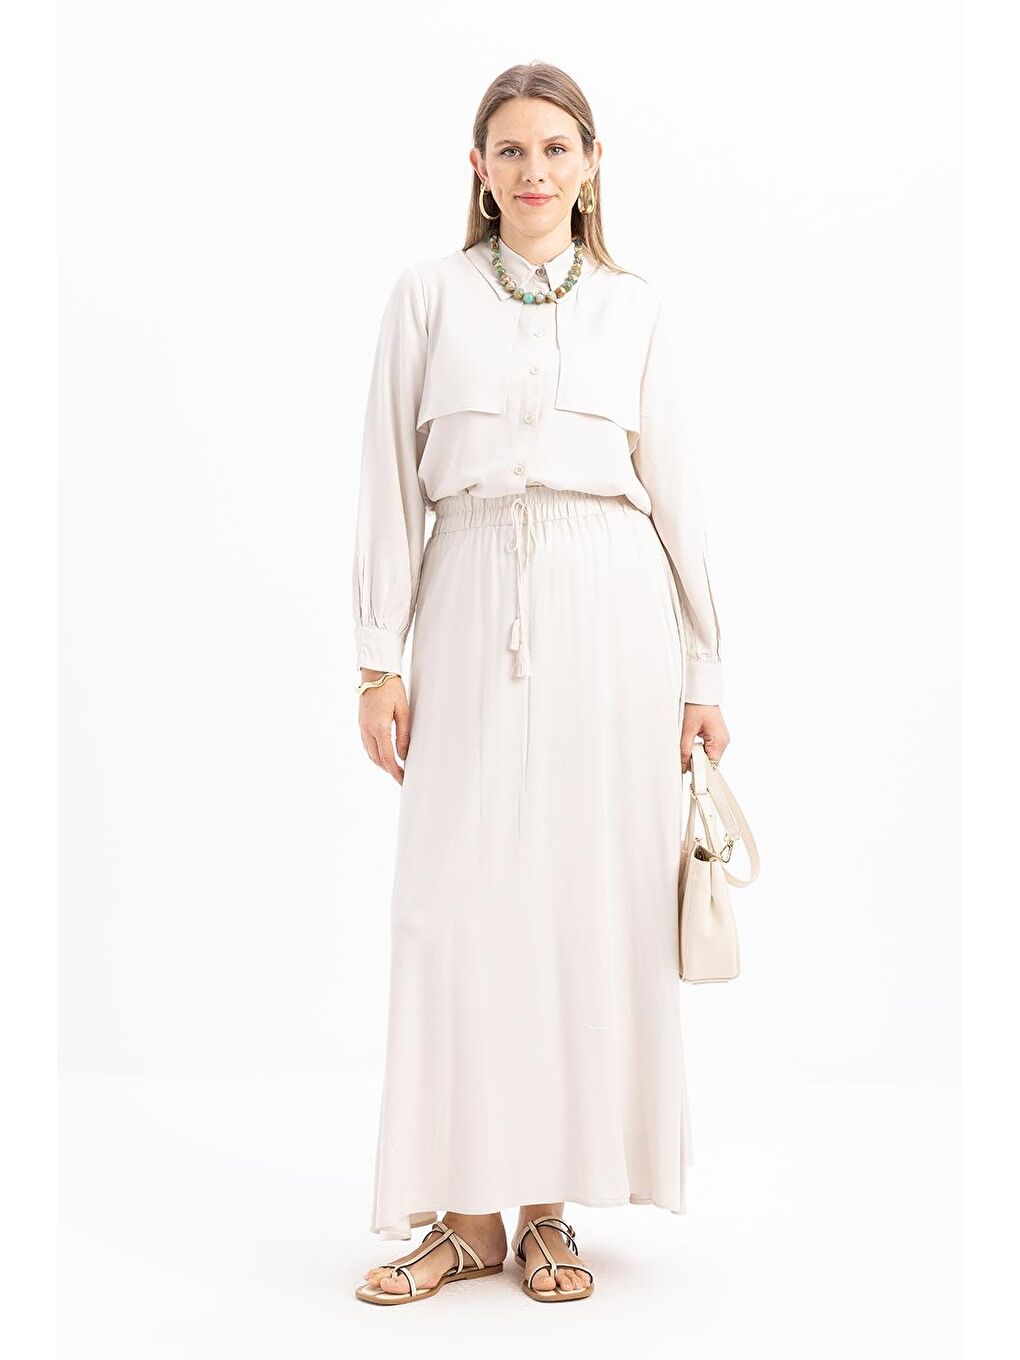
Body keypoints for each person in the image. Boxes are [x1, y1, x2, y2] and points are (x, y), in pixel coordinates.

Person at [351, 62, 730, 1306]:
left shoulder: (636, 310)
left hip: (612, 614)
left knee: (581, 906)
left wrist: (704, 666)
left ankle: (548, 1211)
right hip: (468, 596)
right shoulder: (426, 297)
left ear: (592, 164)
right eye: (509, 150)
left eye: (555, 148)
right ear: (477, 168)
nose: (533, 171)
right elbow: (387, 483)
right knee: (454, 905)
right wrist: (376, 657)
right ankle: (463, 1216)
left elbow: (679, 496)